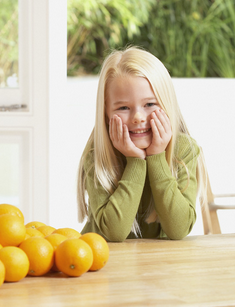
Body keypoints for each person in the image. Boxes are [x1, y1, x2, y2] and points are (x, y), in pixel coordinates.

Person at [77, 46, 208, 242]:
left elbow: (179, 229)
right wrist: (135, 161)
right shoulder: (100, 153)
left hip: (158, 264)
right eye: (123, 107)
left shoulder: (183, 149)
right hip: (103, 263)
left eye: (150, 104)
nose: (138, 117)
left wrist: (156, 157)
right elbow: (114, 232)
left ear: (167, 104)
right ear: (105, 113)